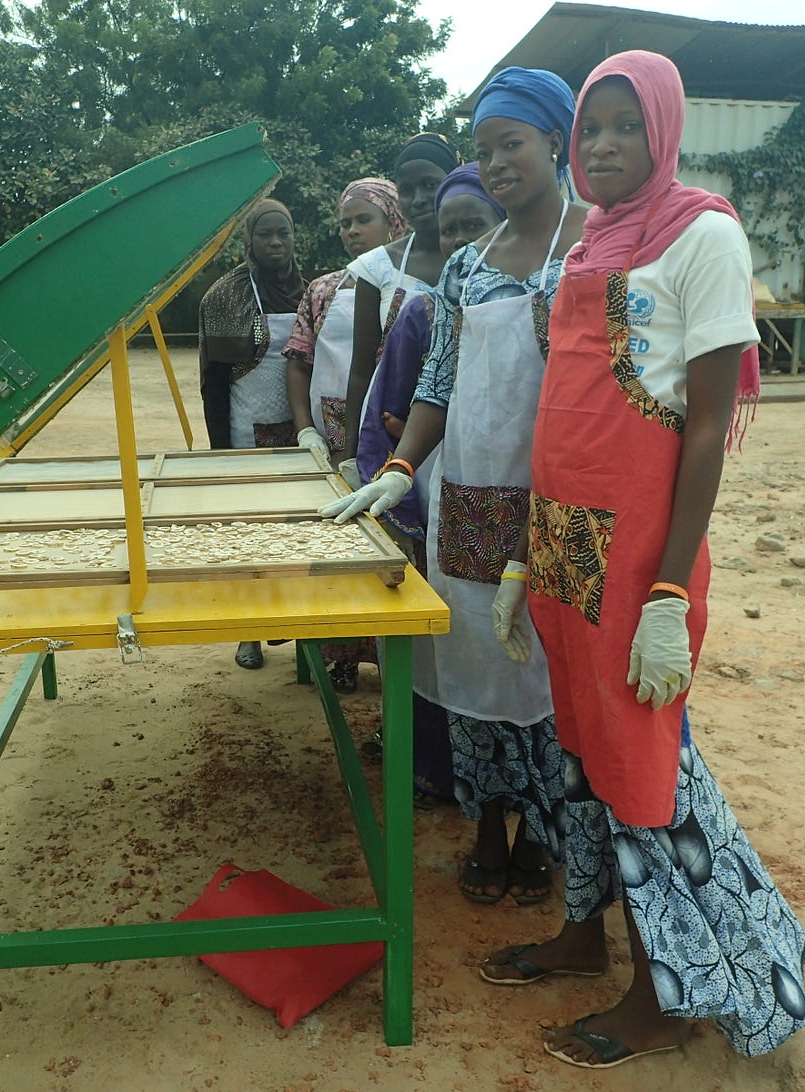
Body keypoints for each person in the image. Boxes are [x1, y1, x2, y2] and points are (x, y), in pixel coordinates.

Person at [481, 51, 805, 1070]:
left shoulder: (702, 234)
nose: (606, 145)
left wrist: (669, 590)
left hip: (636, 558)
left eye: (627, 126)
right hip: (562, 546)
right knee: (575, 754)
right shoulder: (588, 244)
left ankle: (663, 993)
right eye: (593, 130)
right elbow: (562, 409)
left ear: (662, 131)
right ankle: (585, 936)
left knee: (636, 772)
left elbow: (704, 429)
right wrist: (521, 558)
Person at [323, 68, 587, 905]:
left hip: (558, 504)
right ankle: (484, 828)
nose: (499, 162)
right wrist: (402, 468)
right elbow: (437, 381)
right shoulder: (468, 267)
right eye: (485, 149)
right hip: (467, 499)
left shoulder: (593, 248)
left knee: (547, 676)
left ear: (556, 140)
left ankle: (542, 841)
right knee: (474, 666)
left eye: (512, 143)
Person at [352, 163, 506, 804]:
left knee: (522, 652)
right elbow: (391, 409)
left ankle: (527, 809)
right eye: (451, 233)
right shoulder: (424, 313)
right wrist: (396, 486)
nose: (465, 244)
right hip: (446, 495)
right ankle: (451, 778)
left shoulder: (553, 297)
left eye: (476, 225)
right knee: (456, 641)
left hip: (535, 494)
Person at [283, 178, 406, 690]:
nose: (353, 232)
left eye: (365, 220)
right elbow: (297, 362)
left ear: (394, 222)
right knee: (336, 546)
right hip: (335, 438)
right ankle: (340, 655)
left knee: (392, 544)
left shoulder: (415, 280)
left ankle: (394, 656)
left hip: (396, 437)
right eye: (346, 223)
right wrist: (307, 430)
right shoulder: (323, 289)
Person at [198, 197, 305, 671]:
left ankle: (305, 627)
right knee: (250, 532)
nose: (277, 243)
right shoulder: (224, 296)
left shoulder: (314, 290)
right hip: (246, 429)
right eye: (266, 234)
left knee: (301, 532)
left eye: (284, 233)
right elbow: (213, 383)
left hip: (303, 428)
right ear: (249, 241)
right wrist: (221, 451)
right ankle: (249, 632)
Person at [339, 133, 460, 485]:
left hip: (465, 430)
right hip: (389, 436)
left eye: (430, 185)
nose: (419, 198)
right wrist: (350, 452)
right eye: (406, 189)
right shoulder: (375, 268)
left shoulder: (484, 258)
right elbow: (361, 370)